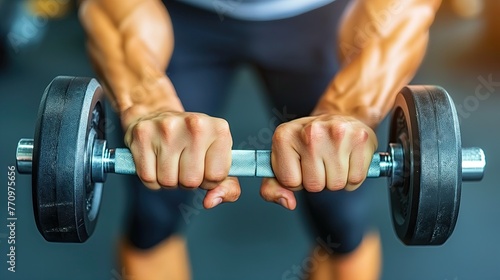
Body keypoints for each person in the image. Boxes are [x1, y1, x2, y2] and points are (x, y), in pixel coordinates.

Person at [78, 0, 441, 279]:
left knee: (340, 217)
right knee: (153, 207)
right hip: (176, 17)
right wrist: (147, 103)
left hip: (316, 18)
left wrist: (350, 109)